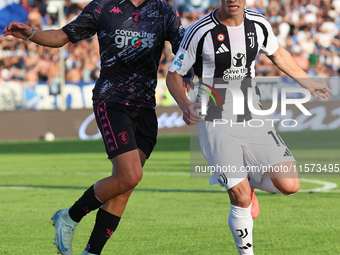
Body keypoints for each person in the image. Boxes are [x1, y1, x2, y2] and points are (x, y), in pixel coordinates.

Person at [3, 0, 187, 254]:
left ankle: (92, 251)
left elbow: (185, 48)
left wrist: (189, 74)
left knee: (125, 185)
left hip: (145, 107)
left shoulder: (164, 11)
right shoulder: (104, 6)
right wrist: (32, 34)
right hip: (111, 101)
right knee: (130, 175)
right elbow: (64, 35)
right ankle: (69, 217)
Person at [166, 0, 332, 254]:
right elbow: (174, 74)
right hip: (215, 119)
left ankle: (250, 180)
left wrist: (307, 82)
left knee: (290, 185)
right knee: (240, 196)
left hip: (252, 115)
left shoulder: (258, 24)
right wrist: (184, 104)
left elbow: (277, 54)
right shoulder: (200, 31)